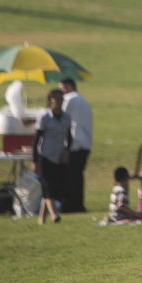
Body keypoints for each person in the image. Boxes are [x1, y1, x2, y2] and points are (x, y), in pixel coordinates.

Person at [32, 88, 71, 224]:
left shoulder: (66, 117)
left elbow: (69, 137)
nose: (59, 103)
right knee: (48, 186)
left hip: (58, 156)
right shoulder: (44, 117)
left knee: (52, 188)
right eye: (57, 100)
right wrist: (34, 160)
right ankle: (54, 214)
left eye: (61, 100)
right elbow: (37, 139)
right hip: (45, 156)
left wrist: (66, 151)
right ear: (50, 102)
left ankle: (41, 217)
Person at [59, 77, 92, 213]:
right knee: (77, 177)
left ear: (68, 86)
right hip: (85, 143)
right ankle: (78, 205)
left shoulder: (70, 99)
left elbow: (59, 115)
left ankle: (70, 206)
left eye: (61, 89)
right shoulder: (83, 100)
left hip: (74, 144)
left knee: (69, 177)